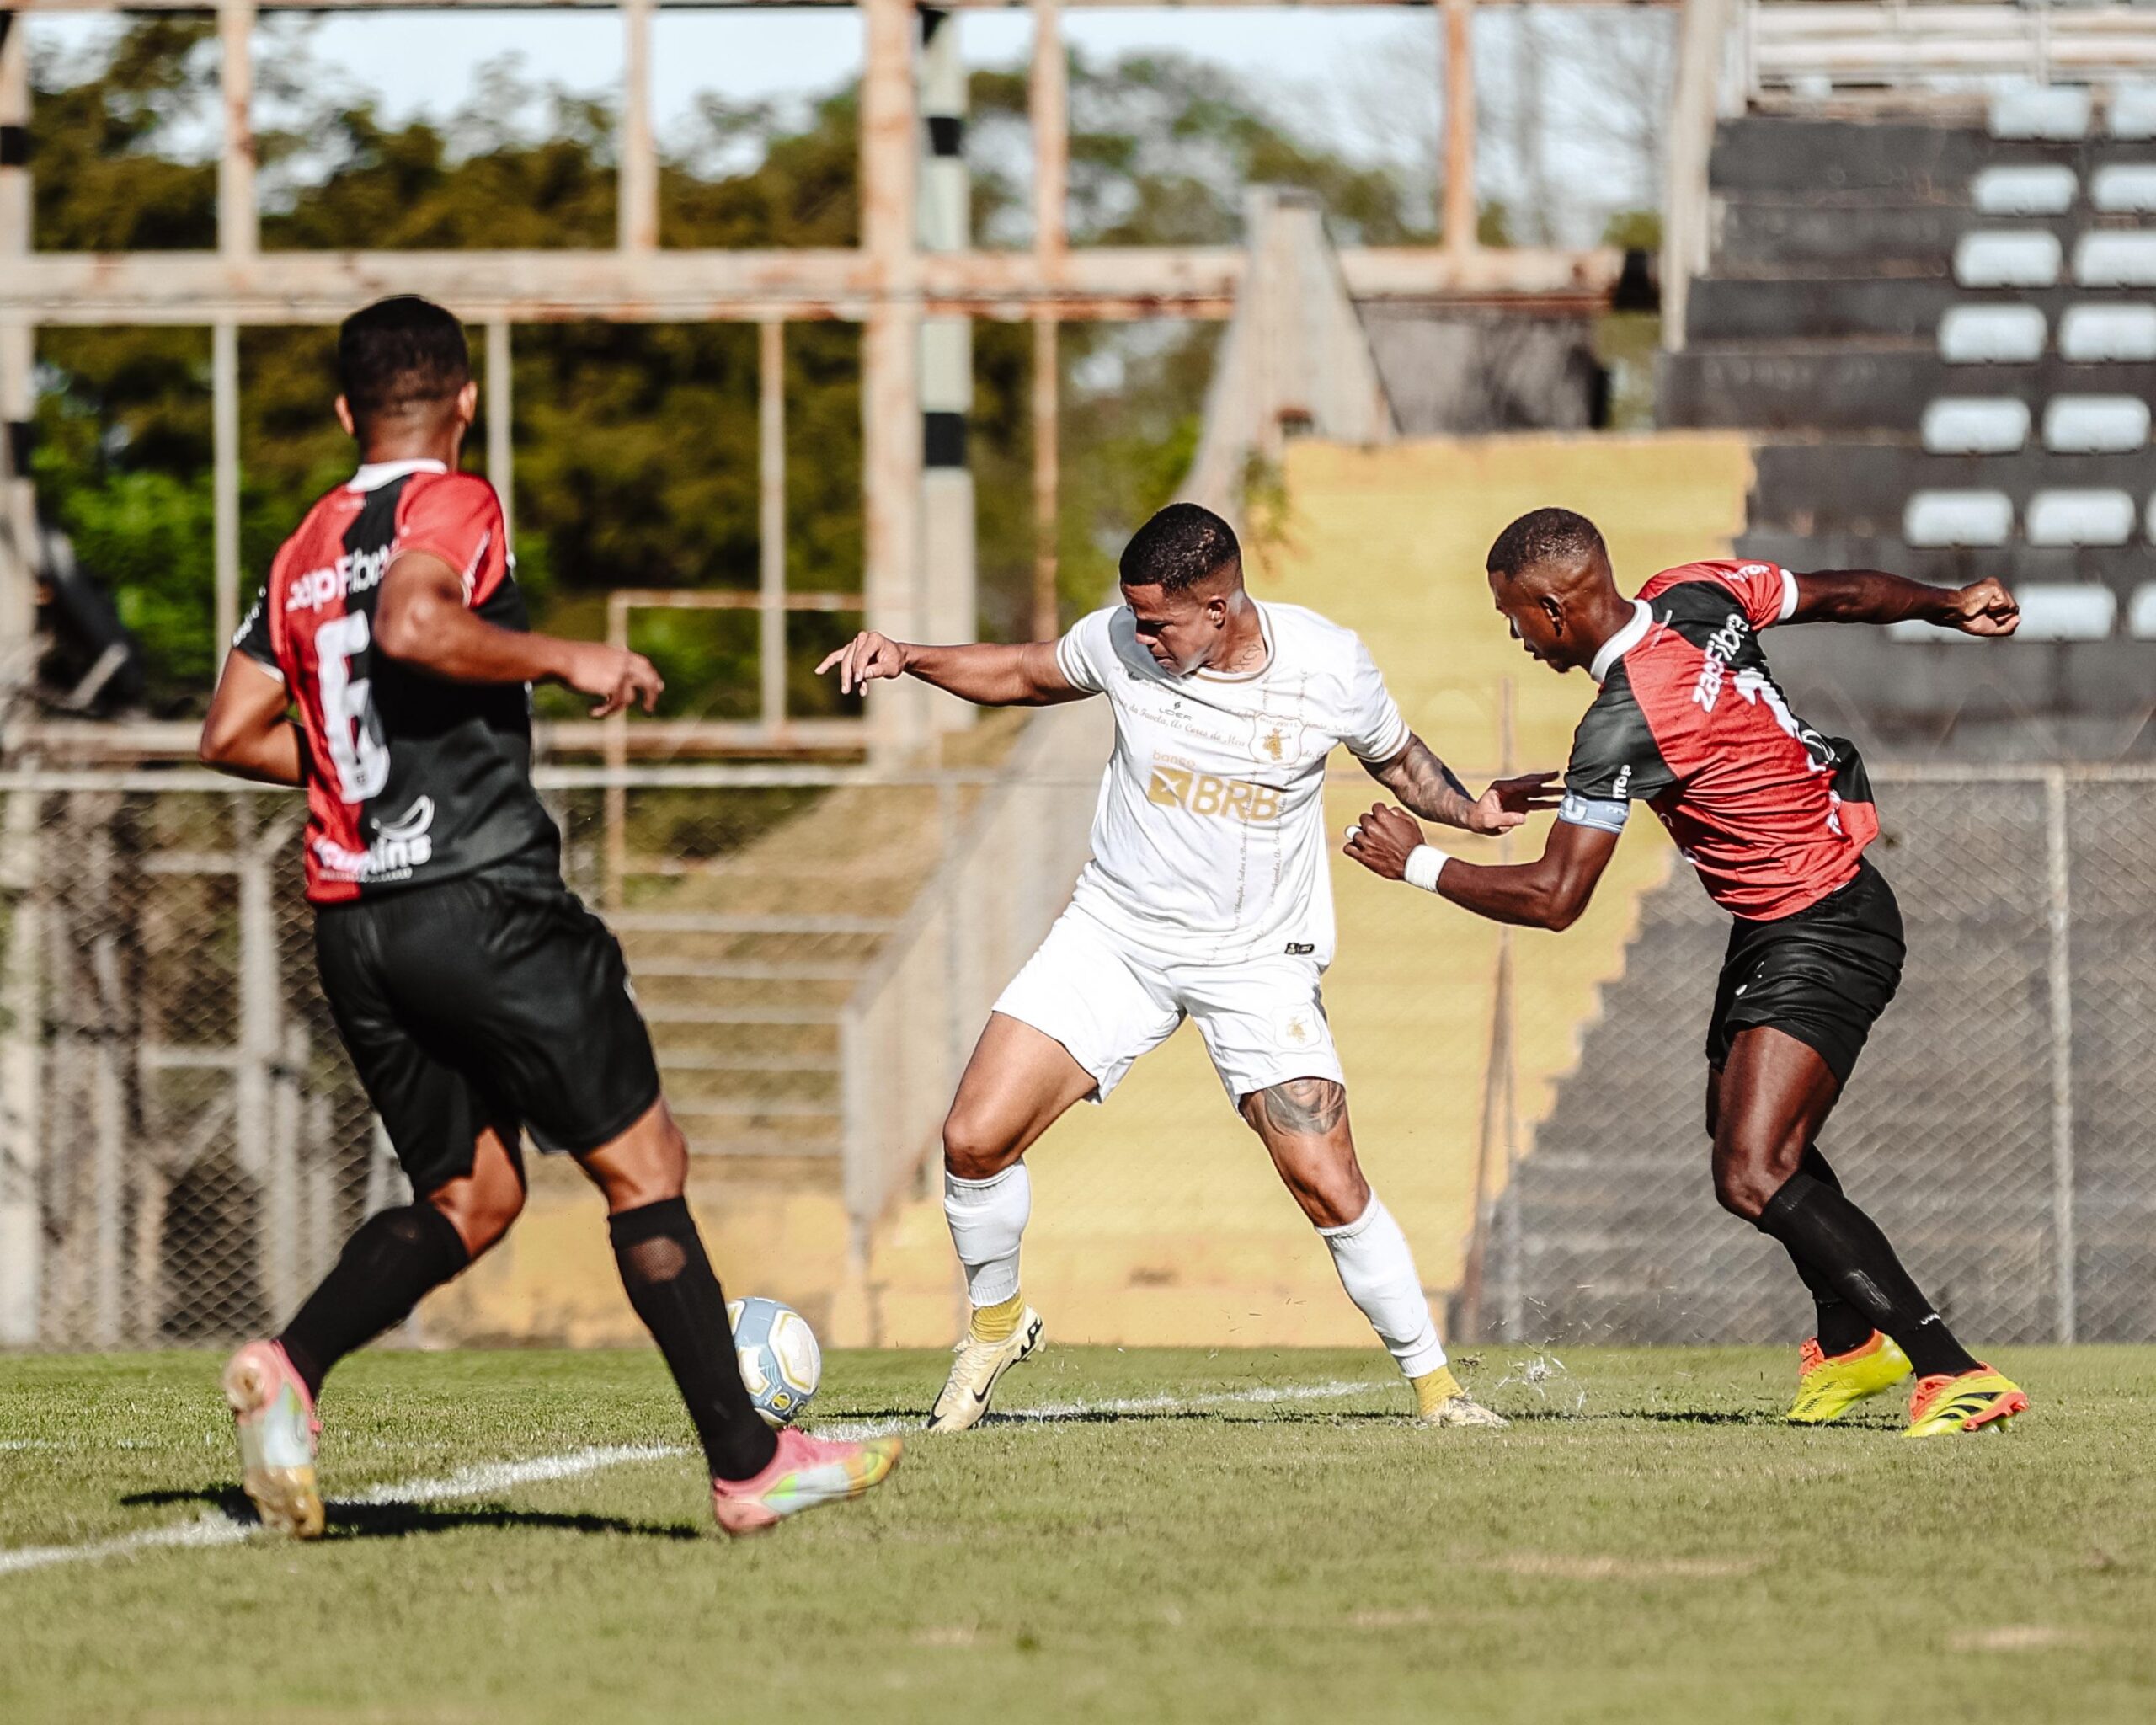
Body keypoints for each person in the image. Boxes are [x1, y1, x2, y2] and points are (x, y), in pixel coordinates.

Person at [196, 295, 899, 1536]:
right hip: (480, 902)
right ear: (464, 401)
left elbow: (230, 732)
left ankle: (291, 1367)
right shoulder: (451, 503)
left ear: (345, 410)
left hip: (357, 926)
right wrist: (567, 655)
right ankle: (748, 1464)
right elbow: (415, 622)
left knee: (474, 1195)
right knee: (645, 1166)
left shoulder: (305, 546)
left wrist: (368, 789)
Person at [819, 502, 1555, 1431]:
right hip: (1115, 936)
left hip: (1256, 962)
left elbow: (1395, 756)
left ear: (1219, 605)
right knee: (971, 1139)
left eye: (1159, 621)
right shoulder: (1124, 642)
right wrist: (909, 655)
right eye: (1133, 617)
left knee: (1325, 1177)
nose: (1141, 636)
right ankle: (997, 1325)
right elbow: (1022, 669)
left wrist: (1471, 813)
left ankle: (1439, 1391)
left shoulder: (1326, 662)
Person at [1343, 506, 2030, 1438]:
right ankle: (1847, 1340)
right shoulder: (1692, 592)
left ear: (1552, 607)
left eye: (1511, 615)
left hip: (1823, 925)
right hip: (1787, 918)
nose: (1512, 635)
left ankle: (1951, 1367)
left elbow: (1555, 896)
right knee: (1743, 1137)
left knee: (1752, 1171)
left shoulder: (1620, 717)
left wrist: (1418, 863)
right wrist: (1946, 604)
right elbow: (1842, 593)